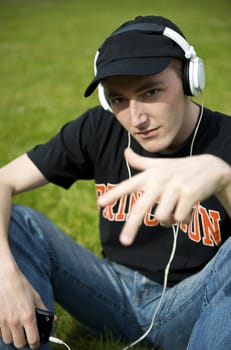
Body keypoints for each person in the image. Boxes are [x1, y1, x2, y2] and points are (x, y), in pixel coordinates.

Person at [0, 14, 230, 350]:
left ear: (189, 78)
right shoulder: (102, 128)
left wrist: (223, 177)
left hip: (195, 303)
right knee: (17, 223)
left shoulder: (224, 140)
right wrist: (5, 275)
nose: (135, 119)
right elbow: (3, 180)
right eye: (118, 99)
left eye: (150, 91)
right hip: (111, 292)